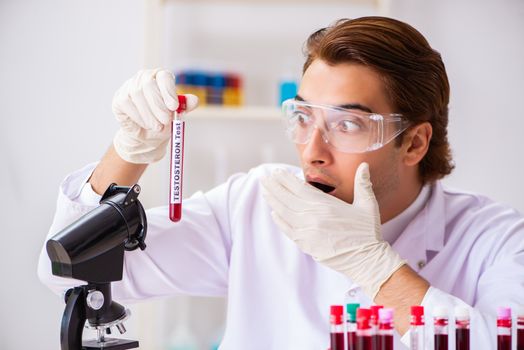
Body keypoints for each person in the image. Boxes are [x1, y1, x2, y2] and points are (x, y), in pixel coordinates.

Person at [38, 16, 524, 349]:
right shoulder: (259, 202)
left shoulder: (497, 240)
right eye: (303, 116)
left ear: (415, 143)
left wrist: (377, 271)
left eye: (348, 124)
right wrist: (127, 152)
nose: (312, 148)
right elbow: (66, 269)